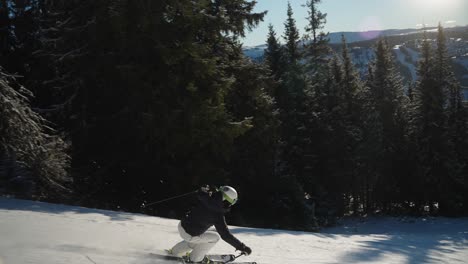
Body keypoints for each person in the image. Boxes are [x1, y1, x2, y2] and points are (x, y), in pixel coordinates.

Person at [170, 185, 252, 263]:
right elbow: (225, 235)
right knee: (215, 237)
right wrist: (242, 247)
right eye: (230, 203)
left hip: (182, 225)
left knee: (200, 236)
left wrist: (204, 189)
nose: (229, 206)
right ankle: (195, 259)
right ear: (225, 200)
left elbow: (201, 192)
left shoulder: (206, 197)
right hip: (190, 234)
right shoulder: (218, 214)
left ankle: (176, 251)